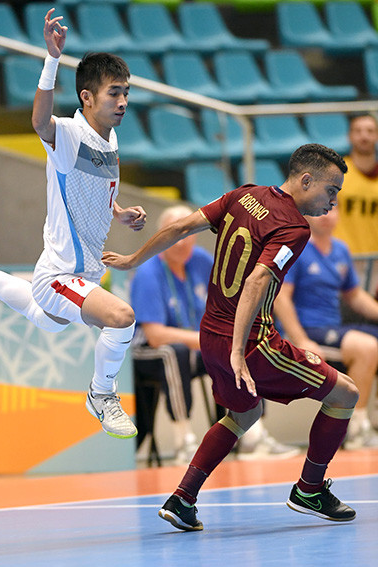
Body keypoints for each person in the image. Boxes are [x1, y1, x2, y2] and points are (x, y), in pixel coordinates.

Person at [0, 9, 147, 440]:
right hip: (60, 275)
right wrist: (51, 59)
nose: (123, 102)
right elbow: (39, 121)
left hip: (85, 271)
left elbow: (92, 187)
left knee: (50, 321)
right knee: (122, 317)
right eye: (114, 93)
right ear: (87, 97)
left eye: (126, 93)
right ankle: (101, 394)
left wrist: (118, 211)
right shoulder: (69, 135)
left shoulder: (109, 138)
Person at [104, 143, 359, 531]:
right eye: (331, 190)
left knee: (244, 413)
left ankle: (183, 498)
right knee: (345, 394)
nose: (333, 201)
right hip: (253, 343)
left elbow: (180, 226)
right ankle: (309, 490)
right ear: (306, 180)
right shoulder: (294, 227)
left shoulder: (244, 195)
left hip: (210, 336)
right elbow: (257, 281)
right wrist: (240, 350)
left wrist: (131, 260)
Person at [274, 206, 378, 449]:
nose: (328, 215)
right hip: (307, 330)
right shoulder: (295, 248)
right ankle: (356, 429)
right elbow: (281, 298)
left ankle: (369, 418)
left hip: (334, 329)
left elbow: (354, 296)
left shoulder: (341, 249)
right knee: (366, 347)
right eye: (323, 210)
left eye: (333, 210)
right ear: (308, 215)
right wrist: (301, 340)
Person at [131, 205, 225, 464]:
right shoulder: (148, 272)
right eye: (175, 233)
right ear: (162, 235)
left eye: (188, 233)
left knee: (234, 349)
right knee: (175, 353)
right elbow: (155, 336)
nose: (181, 241)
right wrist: (203, 340)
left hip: (194, 344)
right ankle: (184, 440)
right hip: (147, 350)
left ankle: (248, 433)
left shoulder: (202, 261)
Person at [333, 113, 378, 254]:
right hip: (344, 257)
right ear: (349, 136)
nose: (364, 136)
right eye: (358, 131)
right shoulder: (336, 173)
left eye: (370, 131)